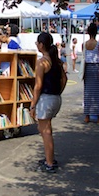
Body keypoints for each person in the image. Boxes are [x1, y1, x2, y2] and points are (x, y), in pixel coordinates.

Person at [30, 33, 67, 173]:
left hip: (46, 99)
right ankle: (48, 158)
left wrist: (33, 105)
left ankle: (49, 162)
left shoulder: (42, 62)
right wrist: (58, 92)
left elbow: (38, 86)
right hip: (56, 98)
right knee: (45, 129)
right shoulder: (56, 61)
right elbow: (64, 79)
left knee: (46, 132)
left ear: (41, 45)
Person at [82, 23, 99, 124]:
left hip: (87, 68)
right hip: (97, 68)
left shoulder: (84, 44)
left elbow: (84, 56)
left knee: (88, 92)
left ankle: (87, 115)